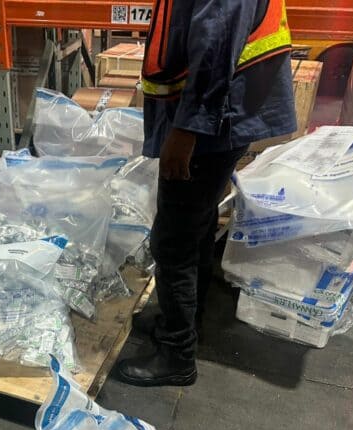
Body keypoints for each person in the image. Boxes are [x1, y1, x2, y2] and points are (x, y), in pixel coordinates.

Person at [117, 0, 297, 387]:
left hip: (211, 120)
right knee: (196, 224)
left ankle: (177, 353)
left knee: (173, 240)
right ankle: (184, 318)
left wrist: (186, 132)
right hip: (219, 114)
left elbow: (215, 44)